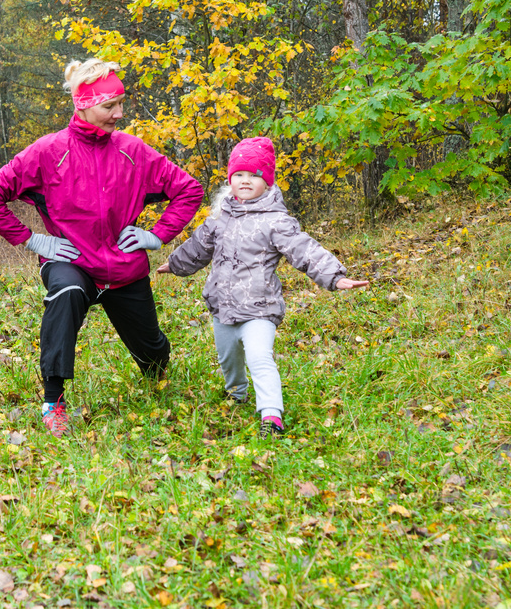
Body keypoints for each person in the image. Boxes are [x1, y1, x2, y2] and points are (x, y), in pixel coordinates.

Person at [0, 58, 203, 437]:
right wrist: (31, 239)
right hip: (72, 261)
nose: (119, 114)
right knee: (67, 291)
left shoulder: (133, 150)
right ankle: (54, 401)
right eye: (110, 106)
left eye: (121, 103)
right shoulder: (48, 151)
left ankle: (155, 365)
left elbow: (188, 190)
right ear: (83, 104)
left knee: (153, 355)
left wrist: (158, 235)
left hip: (124, 269)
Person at [156, 137, 368, 438]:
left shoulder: (276, 221)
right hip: (223, 307)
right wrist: (175, 264)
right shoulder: (219, 218)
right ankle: (237, 393)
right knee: (229, 360)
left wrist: (335, 276)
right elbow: (198, 247)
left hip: (259, 308)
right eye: (239, 174)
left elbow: (303, 249)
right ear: (230, 179)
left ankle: (271, 415)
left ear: (266, 182)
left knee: (259, 356)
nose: (245, 181)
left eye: (254, 175)